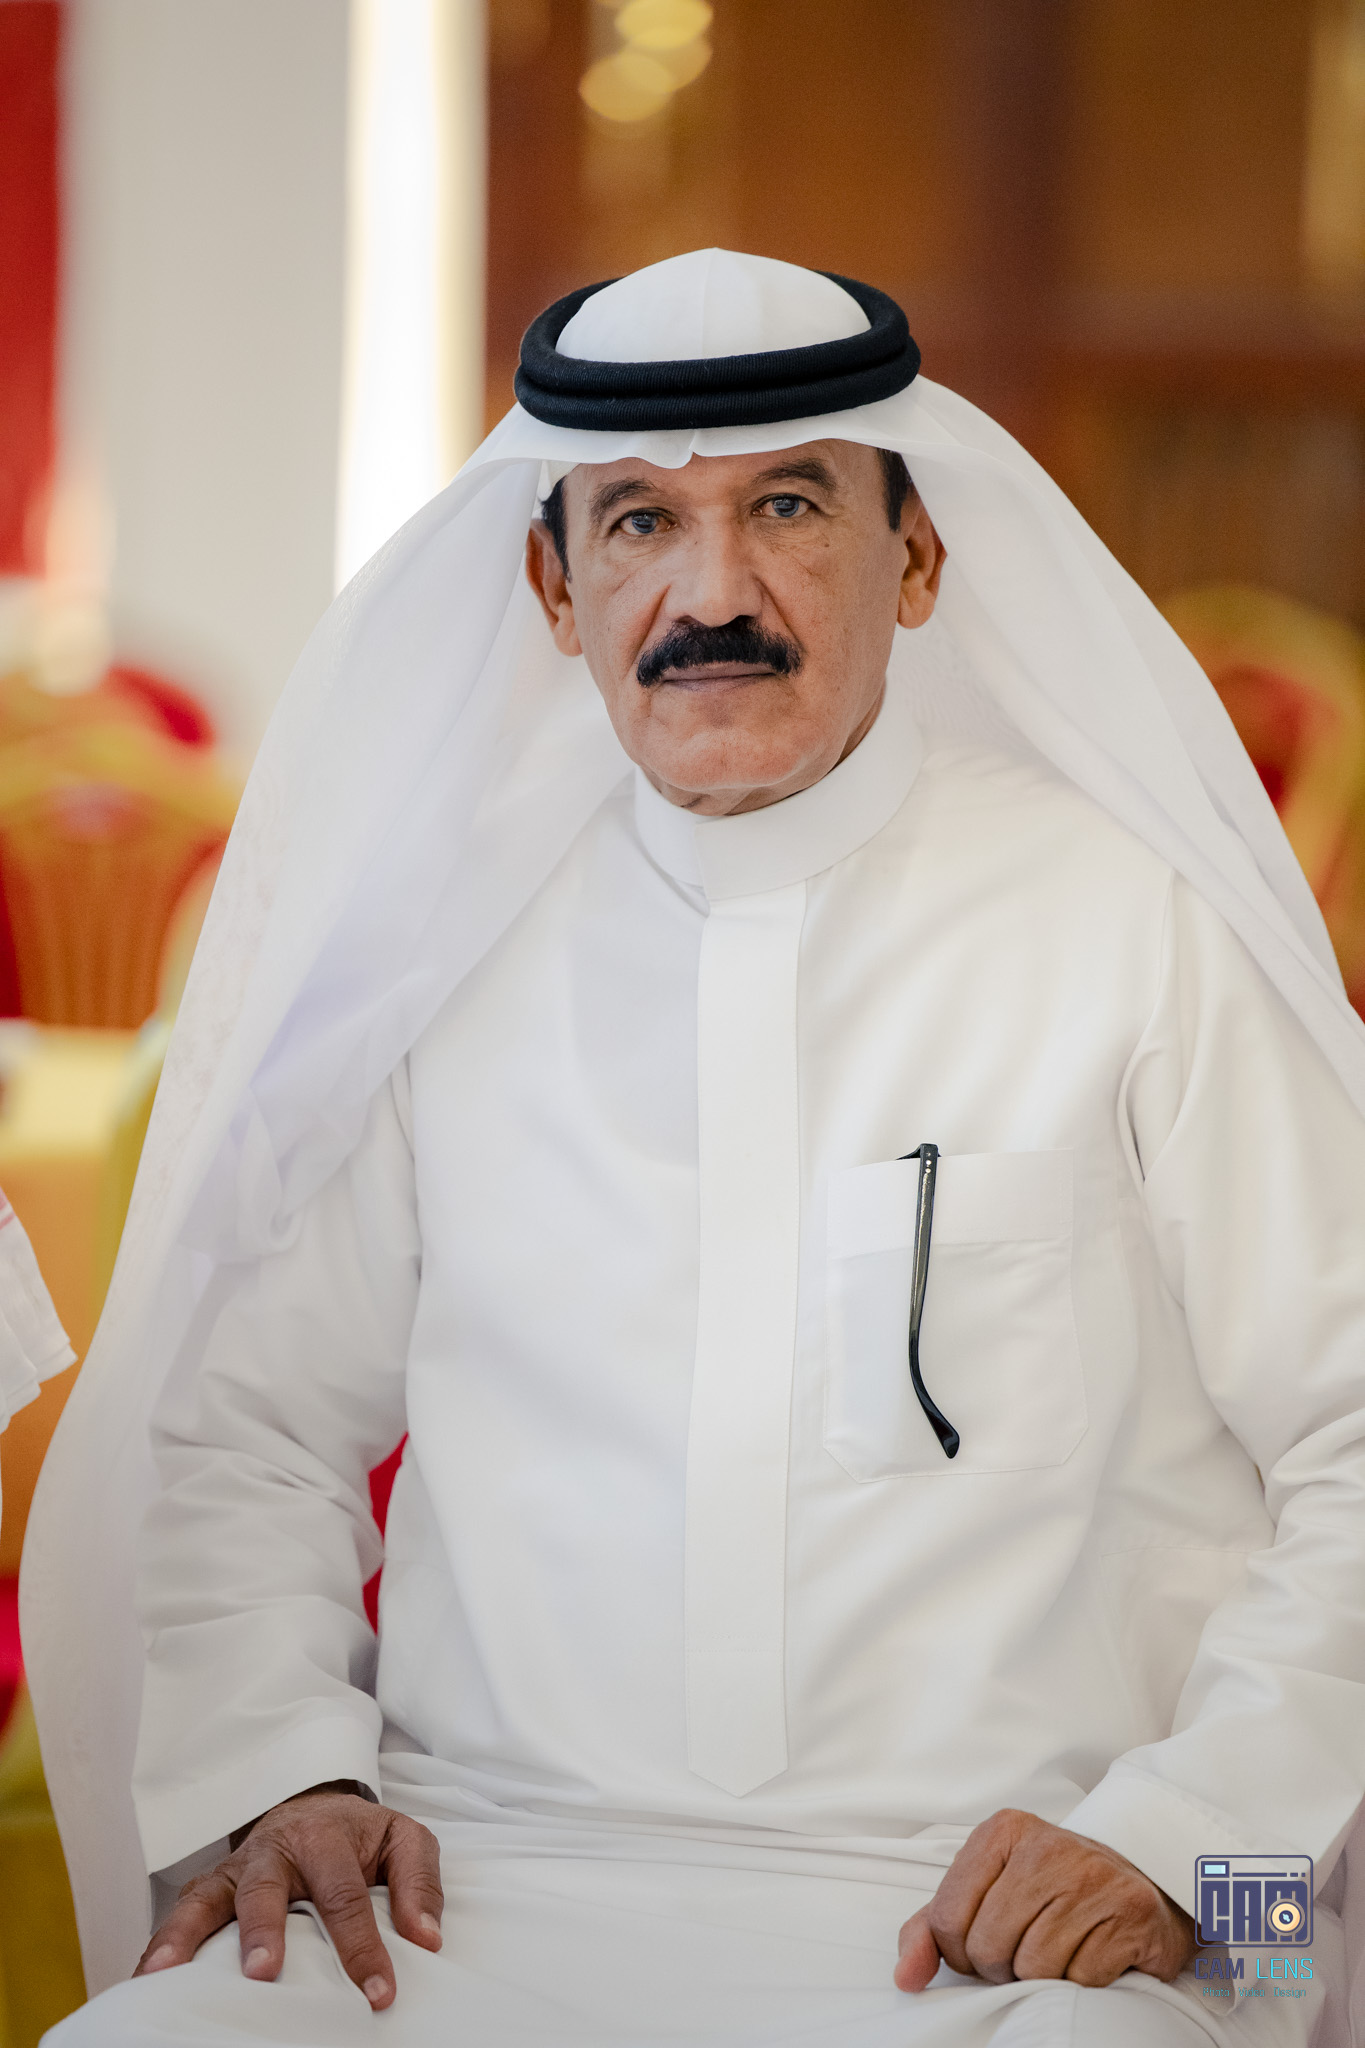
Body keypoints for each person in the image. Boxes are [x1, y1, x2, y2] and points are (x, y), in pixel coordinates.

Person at [26, 250, 1365, 2047]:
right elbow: (250, 1425)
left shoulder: (1137, 926)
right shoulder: (440, 956)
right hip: (481, 1891)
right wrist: (282, 1771)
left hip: (1017, 1918)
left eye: (788, 507)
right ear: (552, 584)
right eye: (640, 522)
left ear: (916, 557)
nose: (710, 593)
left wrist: (1190, 1841)